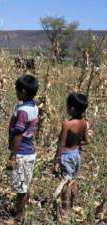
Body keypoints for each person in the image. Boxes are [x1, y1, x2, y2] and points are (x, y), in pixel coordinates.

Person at [5, 74, 39, 224]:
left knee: (21, 188)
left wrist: (13, 155)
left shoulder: (23, 112)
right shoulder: (34, 107)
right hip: (29, 151)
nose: (15, 92)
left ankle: (18, 218)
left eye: (17, 90)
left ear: (23, 92)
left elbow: (18, 133)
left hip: (22, 153)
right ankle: (19, 209)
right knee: (23, 184)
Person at [53, 92, 90, 223]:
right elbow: (87, 141)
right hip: (76, 155)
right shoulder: (84, 123)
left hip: (67, 156)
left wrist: (56, 161)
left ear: (72, 108)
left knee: (65, 184)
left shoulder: (67, 124)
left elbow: (61, 144)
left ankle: (64, 212)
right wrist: (77, 142)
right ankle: (73, 205)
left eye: (67, 106)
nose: (67, 108)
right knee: (74, 181)